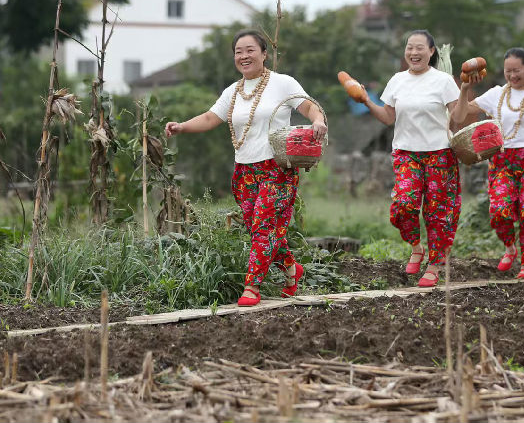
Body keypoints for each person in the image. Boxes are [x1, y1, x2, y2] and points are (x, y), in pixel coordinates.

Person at [164, 30, 327, 307]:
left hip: (278, 168)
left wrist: (318, 121)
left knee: (264, 225)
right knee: (257, 228)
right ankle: (290, 268)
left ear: (264, 54)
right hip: (244, 171)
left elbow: (310, 107)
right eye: (238, 51)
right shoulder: (233, 91)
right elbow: (209, 117)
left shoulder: (282, 83)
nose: (244, 56)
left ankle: (251, 286)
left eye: (250, 50)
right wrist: (182, 127)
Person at [451, 47, 524, 279]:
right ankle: (509, 246)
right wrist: (465, 88)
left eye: (517, 70)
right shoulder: (496, 93)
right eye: (508, 71)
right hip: (502, 161)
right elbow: (458, 116)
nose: (513, 75)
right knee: (499, 210)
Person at [363, 30, 461, 288]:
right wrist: (365, 100)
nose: (414, 53)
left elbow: (458, 116)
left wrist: (467, 89)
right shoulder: (397, 80)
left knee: (438, 213)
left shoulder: (443, 81)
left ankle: (435, 264)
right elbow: (387, 117)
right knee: (404, 205)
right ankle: (417, 247)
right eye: (409, 48)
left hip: (440, 153)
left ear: (431, 52)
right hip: (407, 154)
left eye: (420, 48)